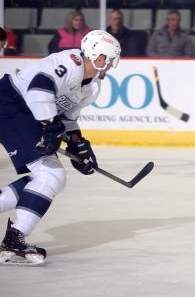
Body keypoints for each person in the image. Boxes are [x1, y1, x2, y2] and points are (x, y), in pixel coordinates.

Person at [0, 30, 121, 265]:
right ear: (95, 54)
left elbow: (66, 117)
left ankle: (14, 233)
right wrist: (49, 125)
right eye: (107, 59)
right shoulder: (70, 62)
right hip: (11, 104)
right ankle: (14, 239)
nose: (110, 65)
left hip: (26, 112)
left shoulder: (92, 88)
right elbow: (38, 89)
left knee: (51, 178)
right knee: (51, 174)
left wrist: (78, 145)